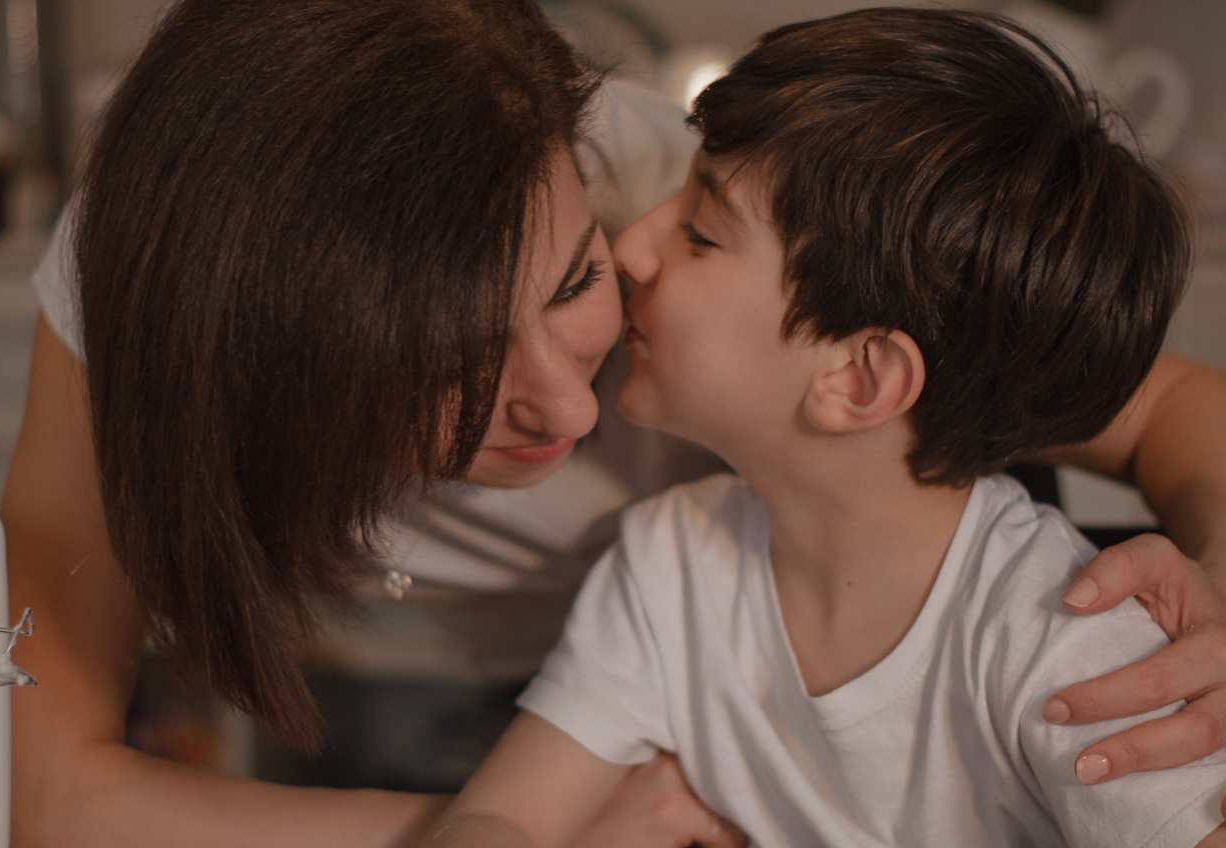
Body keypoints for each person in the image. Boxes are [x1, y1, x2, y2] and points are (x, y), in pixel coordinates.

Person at [2, 0, 1226, 846]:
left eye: (576, 281)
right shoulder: (664, 569)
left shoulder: (1043, 633)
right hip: (591, 708)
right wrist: (554, 817)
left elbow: (1158, 399)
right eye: (448, 369)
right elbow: (45, 789)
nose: (571, 407)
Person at [415, 9, 1226, 847]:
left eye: (698, 233)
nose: (632, 248)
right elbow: (500, 815)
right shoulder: (667, 565)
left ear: (858, 379)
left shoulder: (1071, 636)